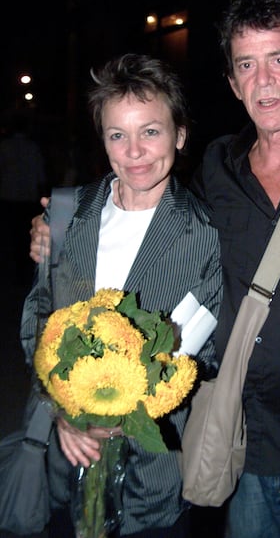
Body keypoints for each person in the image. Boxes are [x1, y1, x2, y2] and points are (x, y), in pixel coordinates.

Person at [29, 0, 280, 538]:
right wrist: (56, 228)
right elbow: (150, 219)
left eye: (279, 60)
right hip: (240, 448)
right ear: (233, 83)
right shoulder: (217, 166)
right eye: (246, 65)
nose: (264, 81)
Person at [22, 53, 222, 538]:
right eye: (118, 135)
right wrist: (63, 411)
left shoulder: (204, 234)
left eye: (150, 132)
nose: (134, 152)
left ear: (179, 134)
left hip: (152, 481)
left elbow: (207, 353)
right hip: (63, 467)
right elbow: (38, 322)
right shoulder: (69, 214)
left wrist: (127, 414)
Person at [0, 112, 46, 286]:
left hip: (8, 196)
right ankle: (22, 270)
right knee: (25, 234)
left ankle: (15, 270)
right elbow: (40, 174)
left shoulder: (5, 146)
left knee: (13, 234)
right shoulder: (32, 147)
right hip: (27, 196)